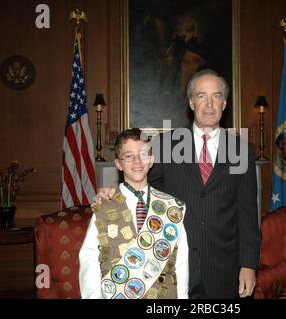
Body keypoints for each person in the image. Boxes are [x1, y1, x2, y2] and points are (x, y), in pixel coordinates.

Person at [95, 69, 260, 299]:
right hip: (172, 265)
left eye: (217, 96)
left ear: (224, 103)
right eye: (202, 96)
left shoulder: (241, 150)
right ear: (192, 102)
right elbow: (142, 190)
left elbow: (248, 213)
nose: (209, 103)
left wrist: (249, 265)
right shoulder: (165, 145)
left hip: (224, 268)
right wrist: (114, 194)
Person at [79, 128, 189, 299]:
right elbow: (89, 258)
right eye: (129, 156)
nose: (137, 161)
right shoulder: (105, 205)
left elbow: (181, 262)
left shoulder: (170, 208)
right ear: (118, 164)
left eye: (143, 154)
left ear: (151, 160)